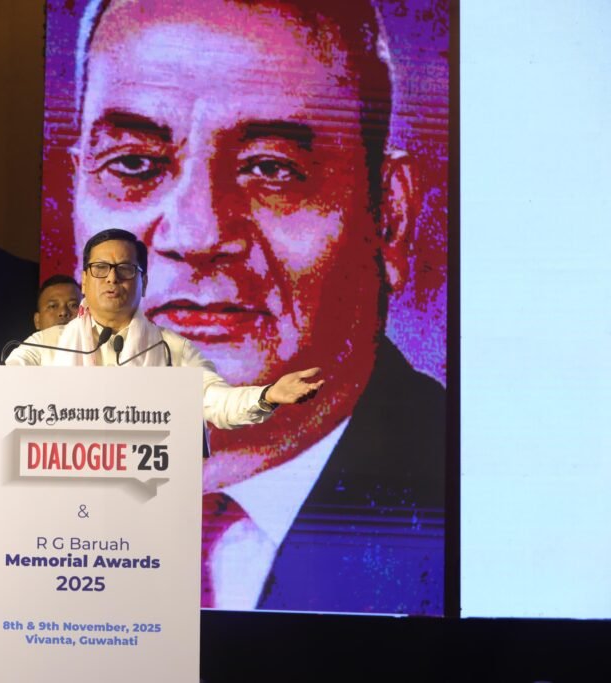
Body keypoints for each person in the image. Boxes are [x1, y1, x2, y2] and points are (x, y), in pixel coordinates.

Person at [66, 0, 446, 613]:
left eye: (272, 169)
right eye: (134, 164)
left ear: (390, 218)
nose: (197, 234)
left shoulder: (470, 502)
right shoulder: (36, 481)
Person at [0, 228, 323, 429]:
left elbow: (215, 400)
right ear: (84, 280)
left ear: (143, 281)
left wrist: (267, 395)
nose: (113, 279)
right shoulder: (48, 346)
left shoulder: (171, 350)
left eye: (125, 269)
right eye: (100, 268)